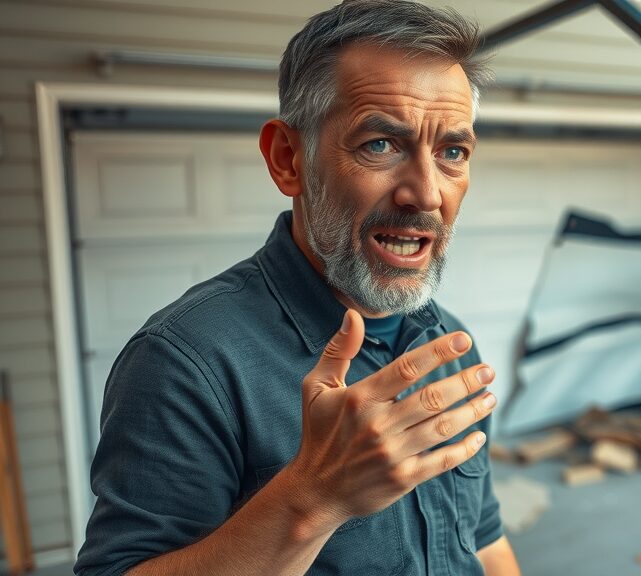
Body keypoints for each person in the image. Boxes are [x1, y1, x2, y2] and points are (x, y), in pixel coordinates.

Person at [74, 1, 521, 574]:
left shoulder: (448, 343)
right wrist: (315, 498)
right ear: (289, 159)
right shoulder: (184, 362)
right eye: (380, 145)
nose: (426, 194)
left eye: (452, 152)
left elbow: (484, 542)